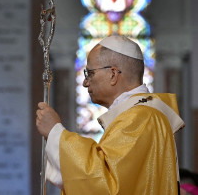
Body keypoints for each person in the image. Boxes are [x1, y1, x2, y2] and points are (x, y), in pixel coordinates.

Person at [36, 35, 185, 194]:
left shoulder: (141, 117)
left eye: (90, 73)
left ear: (113, 74)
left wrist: (56, 133)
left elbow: (104, 182)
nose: (86, 82)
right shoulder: (141, 115)